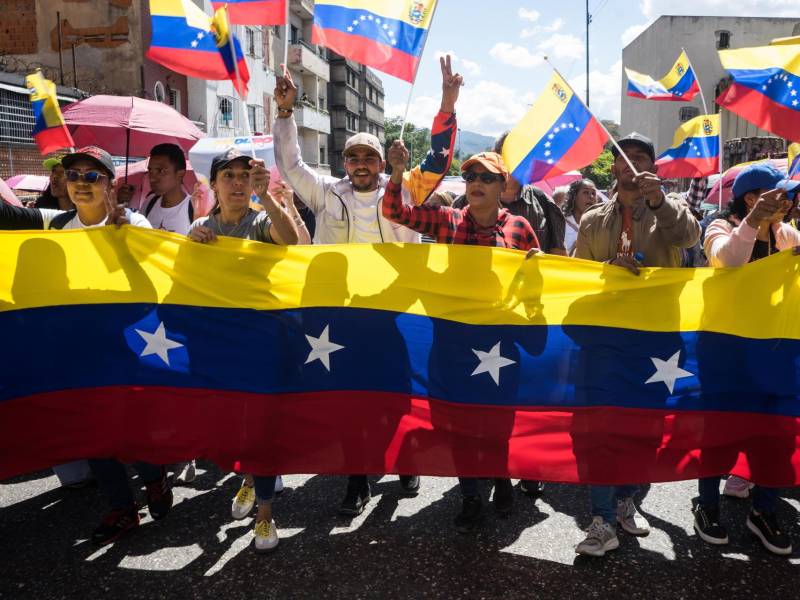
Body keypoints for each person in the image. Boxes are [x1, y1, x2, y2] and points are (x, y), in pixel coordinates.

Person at [273, 55, 460, 514]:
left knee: (399, 390)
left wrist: (448, 102)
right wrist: (284, 112)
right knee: (352, 395)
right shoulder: (325, 191)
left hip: (396, 310)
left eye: (369, 157)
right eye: (353, 157)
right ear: (344, 162)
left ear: (383, 161)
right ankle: (357, 478)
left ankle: (404, 462)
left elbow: (439, 158)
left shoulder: (405, 190)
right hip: (342, 311)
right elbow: (290, 163)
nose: (361, 164)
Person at [383, 147, 538, 531]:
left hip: (502, 344)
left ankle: (501, 478)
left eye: (486, 178)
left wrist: (535, 266)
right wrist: (398, 172)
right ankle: (470, 494)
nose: (476, 184)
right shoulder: (447, 220)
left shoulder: (519, 228)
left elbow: (539, 284)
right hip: (452, 342)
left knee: (499, 420)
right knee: (460, 420)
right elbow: (395, 213)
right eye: (470, 177)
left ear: (503, 186)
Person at [573, 132, 701, 557]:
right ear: (613, 169)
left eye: (640, 158)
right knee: (599, 429)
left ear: (654, 168)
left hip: (656, 342)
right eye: (622, 159)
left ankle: (627, 499)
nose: (630, 166)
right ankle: (601, 519)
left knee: (645, 428)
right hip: (604, 342)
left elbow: (686, 238)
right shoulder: (592, 220)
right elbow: (573, 280)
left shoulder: (671, 209)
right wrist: (607, 271)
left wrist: (659, 202)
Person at [189, 148, 298, 553]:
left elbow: (288, 239)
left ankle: (266, 515)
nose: (237, 183)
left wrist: (266, 195)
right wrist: (190, 243)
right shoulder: (201, 225)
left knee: (262, 428)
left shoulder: (260, 221)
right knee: (236, 427)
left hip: (263, 343)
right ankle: (249, 481)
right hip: (221, 347)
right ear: (213, 185)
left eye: (243, 176)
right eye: (228, 176)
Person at [693, 163, 800, 556]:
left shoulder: (784, 234)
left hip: (771, 352)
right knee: (717, 430)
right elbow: (727, 261)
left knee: (774, 433)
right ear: (753, 199)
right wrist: (752, 222)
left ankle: (764, 509)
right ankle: (707, 506)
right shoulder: (718, 227)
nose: (789, 202)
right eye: (781, 195)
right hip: (722, 350)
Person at [453, 132, 566, 256]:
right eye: (508, 153)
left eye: (522, 153)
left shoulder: (544, 203)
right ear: (495, 155)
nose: (515, 159)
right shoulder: (461, 204)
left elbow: (559, 257)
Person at [562, 179, 598, 256]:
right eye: (585, 192)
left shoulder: (600, 225)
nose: (591, 197)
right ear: (574, 197)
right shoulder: (561, 224)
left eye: (593, 193)